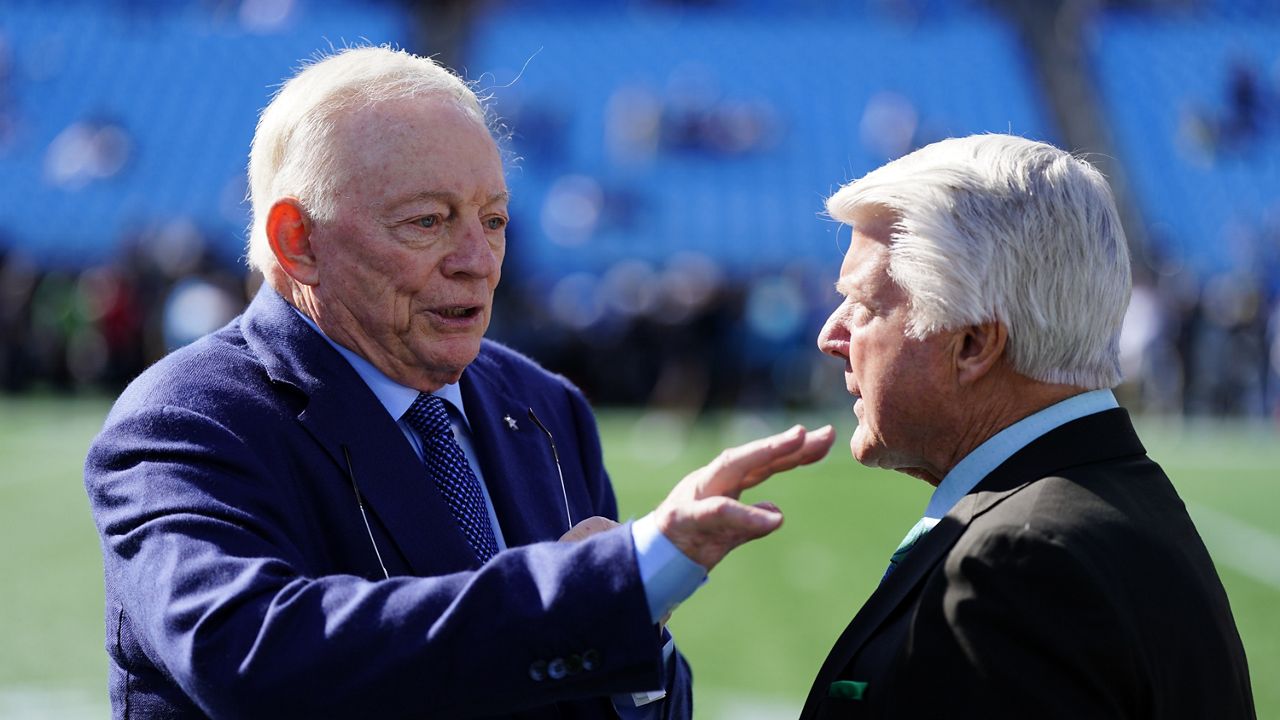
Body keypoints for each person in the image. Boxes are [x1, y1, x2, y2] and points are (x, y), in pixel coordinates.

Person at [83, 46, 835, 719]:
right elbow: (256, 658)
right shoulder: (187, 420)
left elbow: (627, 694)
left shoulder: (545, 409)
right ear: (297, 241)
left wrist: (637, 630)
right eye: (428, 221)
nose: (478, 259)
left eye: (496, 219)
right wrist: (611, 586)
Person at [801, 134, 1255, 719]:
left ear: (972, 345)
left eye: (864, 306)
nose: (831, 337)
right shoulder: (1110, 495)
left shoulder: (1013, 564)